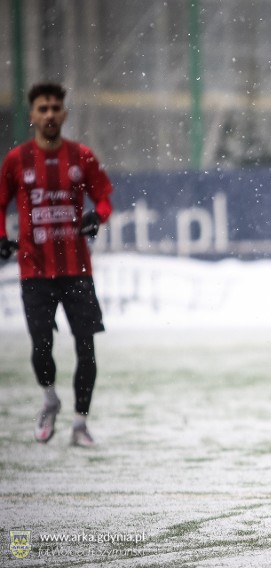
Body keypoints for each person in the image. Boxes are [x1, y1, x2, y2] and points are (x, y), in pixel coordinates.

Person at [0, 82, 113, 447]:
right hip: (35, 270)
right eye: (42, 109)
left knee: (86, 348)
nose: (49, 114)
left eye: (55, 108)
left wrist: (99, 216)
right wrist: (2, 237)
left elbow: (105, 197)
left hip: (77, 270)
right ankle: (50, 399)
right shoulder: (17, 160)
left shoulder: (82, 156)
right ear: (32, 115)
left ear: (64, 114)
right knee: (41, 346)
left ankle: (80, 424)